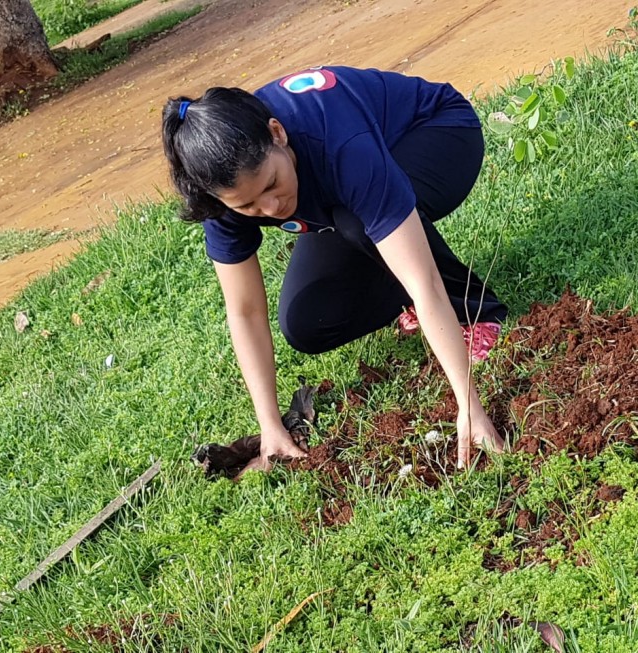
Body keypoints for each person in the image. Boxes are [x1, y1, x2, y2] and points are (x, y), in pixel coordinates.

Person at [161, 65, 507, 469]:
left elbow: (423, 282)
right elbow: (245, 310)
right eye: (248, 206)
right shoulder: (222, 189)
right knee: (308, 322)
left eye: (272, 184)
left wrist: (470, 407)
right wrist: (269, 424)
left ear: (277, 133)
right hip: (347, 199)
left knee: (360, 224)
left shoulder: (341, 143)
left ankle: (476, 311)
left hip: (440, 135)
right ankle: (406, 285)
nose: (270, 208)